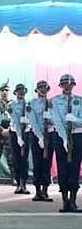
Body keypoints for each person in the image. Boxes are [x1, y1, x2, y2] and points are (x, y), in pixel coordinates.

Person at [49, 74, 82, 212]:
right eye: (64, 84)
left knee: (74, 166)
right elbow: (56, 120)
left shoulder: (80, 100)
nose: (68, 86)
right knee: (63, 167)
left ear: (73, 85)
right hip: (60, 136)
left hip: (77, 135)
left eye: (70, 84)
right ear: (60, 86)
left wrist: (74, 119)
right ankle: (65, 201)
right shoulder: (54, 101)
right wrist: (64, 138)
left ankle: (73, 201)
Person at [28, 80, 54, 202]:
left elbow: (57, 119)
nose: (43, 89)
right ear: (36, 89)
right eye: (40, 87)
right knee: (37, 162)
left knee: (47, 162)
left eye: (45, 87)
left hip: (50, 133)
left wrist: (50, 118)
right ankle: (37, 191)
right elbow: (33, 121)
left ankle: (45, 190)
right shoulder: (31, 103)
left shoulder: (51, 103)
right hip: (36, 135)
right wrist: (40, 137)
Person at [8, 84, 31, 195]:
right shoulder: (11, 105)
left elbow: (32, 118)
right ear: (15, 92)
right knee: (16, 159)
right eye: (18, 90)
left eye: (23, 90)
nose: (21, 92)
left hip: (26, 133)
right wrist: (18, 136)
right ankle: (18, 183)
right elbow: (14, 120)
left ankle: (24, 184)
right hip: (14, 133)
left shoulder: (28, 105)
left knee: (24, 159)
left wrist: (27, 121)